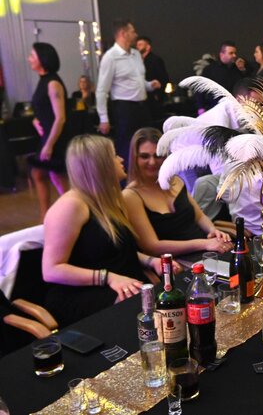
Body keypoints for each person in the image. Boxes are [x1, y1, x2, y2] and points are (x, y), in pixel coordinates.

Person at [41, 135, 173, 327]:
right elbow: (51, 270)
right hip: (81, 293)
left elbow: (115, 252)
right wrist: (108, 277)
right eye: (114, 155)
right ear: (99, 165)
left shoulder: (108, 199)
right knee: (150, 318)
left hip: (118, 283)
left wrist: (151, 261)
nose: (121, 159)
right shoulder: (70, 206)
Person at [122, 128, 233, 257]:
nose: (152, 162)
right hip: (174, 262)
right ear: (135, 159)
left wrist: (213, 231)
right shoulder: (130, 195)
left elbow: (199, 216)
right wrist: (204, 244)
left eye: (158, 155)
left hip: (205, 251)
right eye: (144, 156)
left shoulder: (176, 181)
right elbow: (152, 247)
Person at [96, 19, 161, 170]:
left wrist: (149, 85)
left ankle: (147, 175)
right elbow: (102, 90)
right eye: (132, 31)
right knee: (127, 147)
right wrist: (103, 118)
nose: (135, 34)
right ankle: (126, 179)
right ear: (123, 34)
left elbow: (138, 80)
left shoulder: (136, 54)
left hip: (142, 107)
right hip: (124, 109)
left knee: (147, 143)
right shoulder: (110, 57)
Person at [27, 42, 70, 222]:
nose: (29, 59)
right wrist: (35, 120)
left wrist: (49, 145)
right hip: (47, 136)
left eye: (32, 56)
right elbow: (43, 109)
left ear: (42, 59)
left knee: (57, 177)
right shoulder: (43, 80)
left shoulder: (52, 83)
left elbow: (60, 117)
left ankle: (70, 212)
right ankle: (46, 216)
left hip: (55, 137)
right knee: (40, 173)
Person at [197, 40, 245, 113]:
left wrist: (242, 70)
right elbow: (200, 89)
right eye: (231, 53)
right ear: (222, 54)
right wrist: (200, 107)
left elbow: (243, 86)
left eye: (235, 53)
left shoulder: (237, 69)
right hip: (216, 109)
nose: (234, 55)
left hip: (234, 109)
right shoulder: (210, 69)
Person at [136, 35, 170, 115]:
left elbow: (164, 78)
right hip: (144, 98)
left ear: (148, 47)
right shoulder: (138, 61)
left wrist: (158, 95)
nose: (137, 47)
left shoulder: (155, 60)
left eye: (140, 44)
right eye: (137, 45)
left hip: (154, 98)